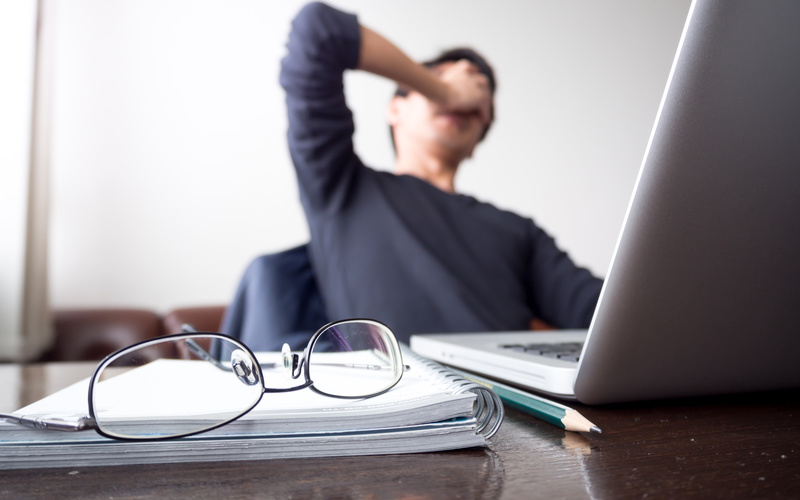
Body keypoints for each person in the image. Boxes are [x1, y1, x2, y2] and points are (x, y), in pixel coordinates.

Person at [278, 2, 602, 345]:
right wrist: (443, 91)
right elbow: (318, 32)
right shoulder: (343, 187)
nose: (463, 95)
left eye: (477, 97)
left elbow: (599, 310)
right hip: (397, 394)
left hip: (504, 396)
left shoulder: (518, 231)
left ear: (478, 140)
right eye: (445, 76)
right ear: (395, 110)